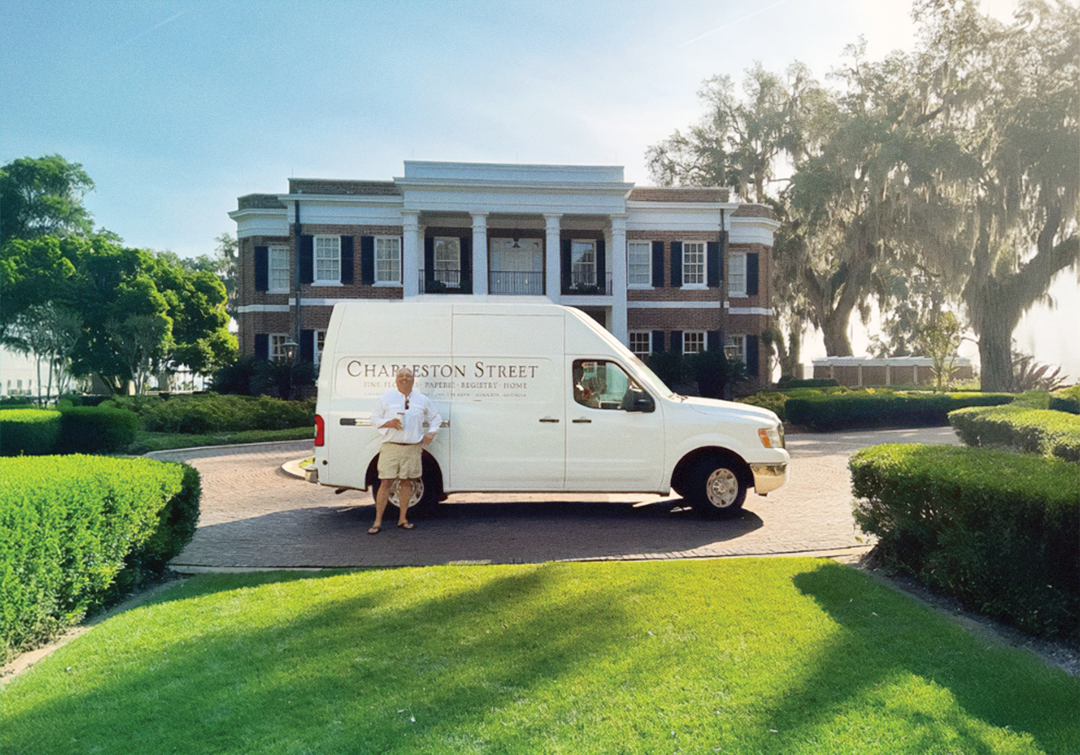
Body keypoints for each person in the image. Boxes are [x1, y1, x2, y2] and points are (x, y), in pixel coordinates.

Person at [368, 367, 442, 534]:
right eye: (401, 376)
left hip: (412, 447)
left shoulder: (421, 399)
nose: (404, 379)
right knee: (385, 482)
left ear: (413, 379)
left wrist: (431, 434)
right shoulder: (387, 397)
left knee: (407, 482)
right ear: (396, 379)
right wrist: (389, 423)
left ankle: (403, 519)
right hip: (391, 446)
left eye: (408, 376)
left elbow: (435, 417)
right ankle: (377, 521)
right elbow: (374, 418)